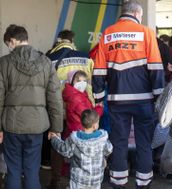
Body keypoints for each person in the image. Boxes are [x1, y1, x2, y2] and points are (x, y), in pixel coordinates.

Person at [92, 0, 165, 188]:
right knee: (143, 143)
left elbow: (98, 69)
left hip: (117, 100)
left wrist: (99, 97)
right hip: (144, 101)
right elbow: (156, 67)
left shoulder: (107, 34)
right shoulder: (147, 33)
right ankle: (143, 182)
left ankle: (118, 182)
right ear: (136, 14)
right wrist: (159, 96)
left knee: (119, 142)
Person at [0, 24, 63, 189]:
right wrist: (56, 127)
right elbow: (55, 98)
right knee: (31, 170)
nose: (9, 47)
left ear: (13, 41)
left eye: (8, 43)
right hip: (37, 127)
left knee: (13, 170)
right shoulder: (46, 62)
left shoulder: (3, 63)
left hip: (11, 126)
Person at [45, 29, 95, 188]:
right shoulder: (86, 57)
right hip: (83, 108)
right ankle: (83, 177)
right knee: (84, 143)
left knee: (58, 142)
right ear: (72, 41)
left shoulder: (49, 58)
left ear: (59, 41)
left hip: (59, 108)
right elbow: (92, 82)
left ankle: (55, 179)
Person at [50, 109, 113, 189]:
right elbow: (109, 149)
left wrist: (55, 138)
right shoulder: (102, 138)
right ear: (95, 125)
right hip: (96, 178)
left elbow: (64, 150)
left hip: (78, 179)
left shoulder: (75, 139)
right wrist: (103, 158)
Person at [63, 70, 103, 138]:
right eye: (78, 81)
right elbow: (89, 116)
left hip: (77, 130)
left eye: (84, 81)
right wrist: (100, 108)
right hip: (81, 133)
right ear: (71, 81)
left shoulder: (79, 94)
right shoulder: (76, 97)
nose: (82, 83)